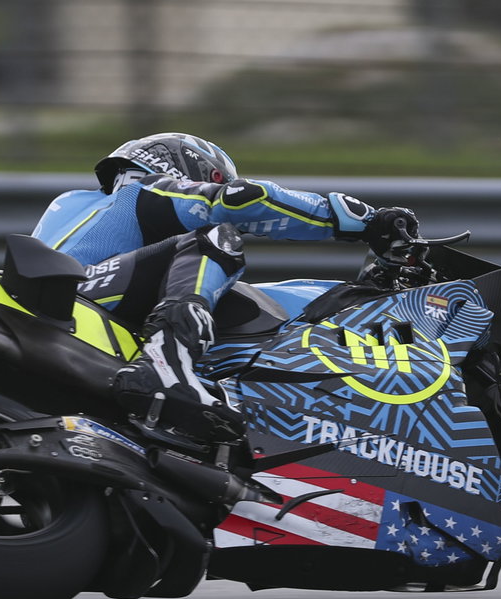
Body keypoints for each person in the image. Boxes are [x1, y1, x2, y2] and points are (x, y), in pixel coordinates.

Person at [31, 132, 419, 444]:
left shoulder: (77, 206)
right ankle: (166, 367)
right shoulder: (142, 192)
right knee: (216, 238)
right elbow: (241, 200)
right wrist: (364, 221)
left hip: (67, 313)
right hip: (81, 300)